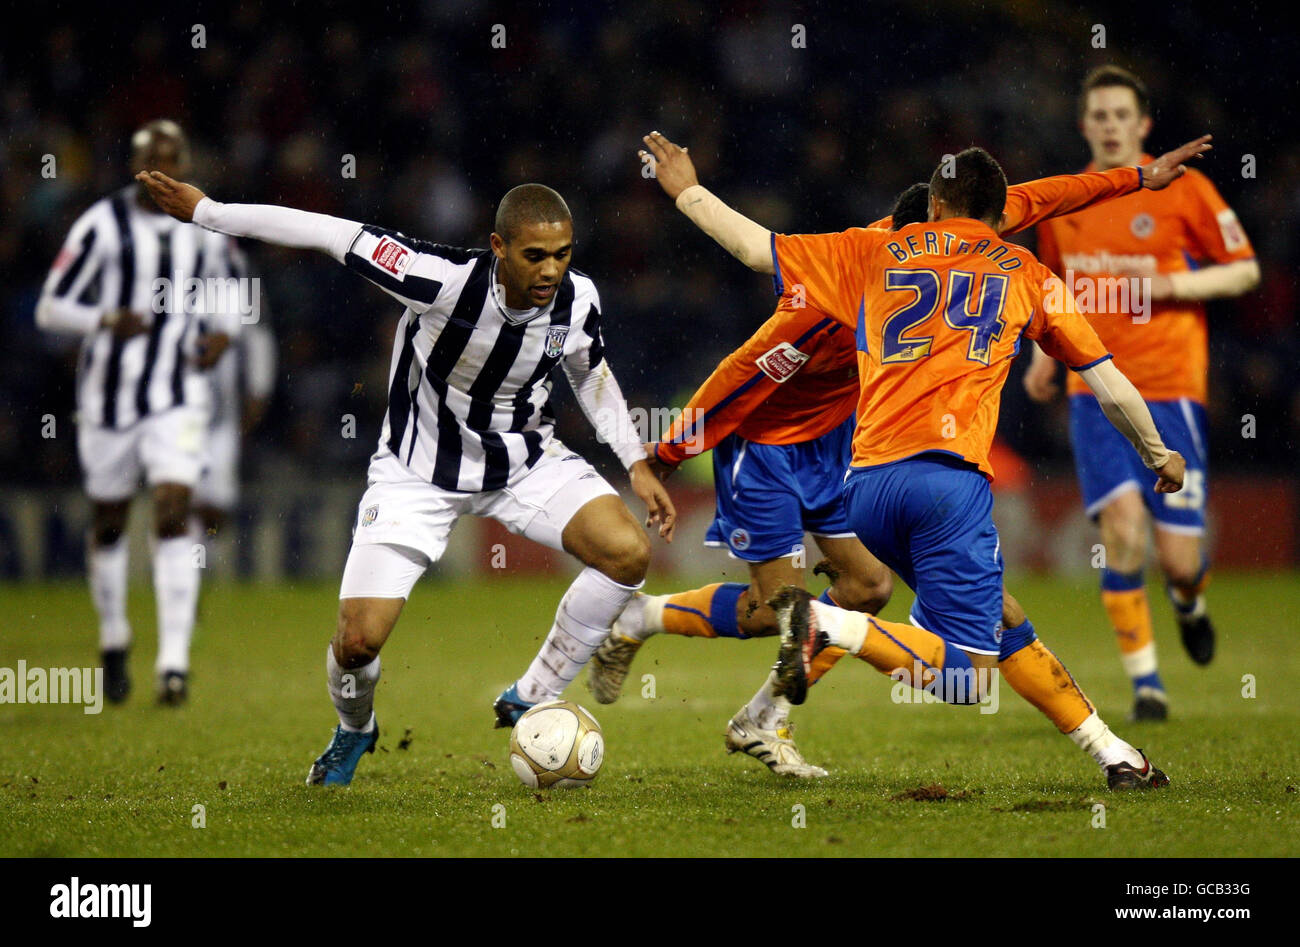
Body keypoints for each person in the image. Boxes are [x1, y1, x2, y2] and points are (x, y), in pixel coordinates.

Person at [591, 140, 1211, 779]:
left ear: (939, 205)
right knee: (965, 677)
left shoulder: (868, 252)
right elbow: (1106, 379)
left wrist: (687, 192)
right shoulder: (1023, 271)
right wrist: (1159, 454)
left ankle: (1114, 754)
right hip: (912, 476)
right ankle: (818, 626)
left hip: (865, 479)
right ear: (994, 213)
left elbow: (754, 247)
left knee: (968, 611)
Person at [136, 170, 676, 786]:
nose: (550, 271)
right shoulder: (437, 279)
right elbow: (328, 232)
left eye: (561, 254)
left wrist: (635, 460)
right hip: (415, 475)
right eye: (534, 256)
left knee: (627, 553)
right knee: (358, 643)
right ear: (498, 248)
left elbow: (589, 374)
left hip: (524, 462)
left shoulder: (579, 299)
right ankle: (355, 730)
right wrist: (211, 211)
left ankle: (531, 693)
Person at [1025, 66, 1259, 721]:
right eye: (1097, 115)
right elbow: (1049, 289)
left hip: (1170, 389)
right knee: (1123, 530)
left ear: (1143, 124)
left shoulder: (1186, 191)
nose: (1108, 125)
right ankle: (1147, 686)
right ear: (1084, 126)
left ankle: (1189, 598)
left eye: (1120, 115)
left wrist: (1175, 288)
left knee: (1179, 559)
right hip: (1094, 389)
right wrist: (1042, 357)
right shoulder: (1067, 200)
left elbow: (1245, 270)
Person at [36, 120, 244, 705]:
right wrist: (104, 319)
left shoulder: (204, 225)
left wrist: (225, 334)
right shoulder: (101, 226)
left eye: (173, 160)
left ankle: (173, 664)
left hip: (178, 394)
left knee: (173, 510)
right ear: (135, 164)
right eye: (154, 160)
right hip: (107, 399)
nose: (165, 171)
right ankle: (113, 636)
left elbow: (232, 292)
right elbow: (51, 309)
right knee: (108, 521)